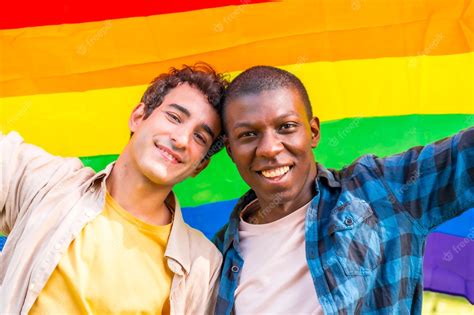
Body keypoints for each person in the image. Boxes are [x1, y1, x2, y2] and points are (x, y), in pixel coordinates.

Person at [213, 65, 474, 315]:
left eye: (286, 127)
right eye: (248, 134)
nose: (270, 148)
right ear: (231, 150)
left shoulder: (379, 190)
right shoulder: (216, 255)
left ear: (313, 132)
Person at [0, 63, 228, 314]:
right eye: (174, 117)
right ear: (138, 117)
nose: (181, 139)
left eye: (200, 137)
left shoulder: (203, 267)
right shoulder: (51, 183)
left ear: (201, 165)